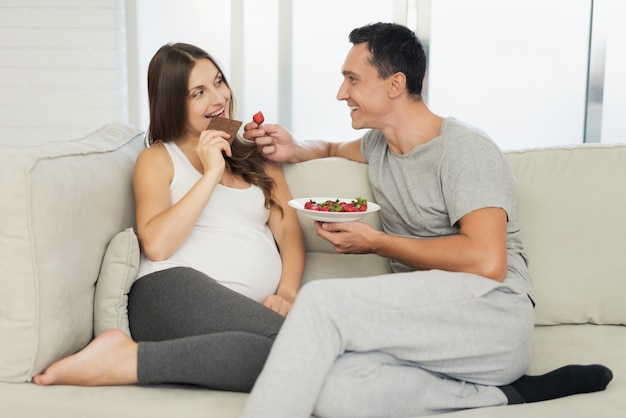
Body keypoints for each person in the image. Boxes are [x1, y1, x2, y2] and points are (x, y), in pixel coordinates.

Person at [238, 22, 612, 417]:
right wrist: (295, 147)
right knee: (338, 392)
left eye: (352, 79)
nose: (341, 93)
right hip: (430, 330)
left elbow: (487, 262)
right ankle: (509, 394)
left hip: (492, 320)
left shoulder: (464, 150)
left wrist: (378, 243)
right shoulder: (378, 146)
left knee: (318, 301)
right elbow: (330, 146)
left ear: (395, 84)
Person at [32, 42, 305, 392]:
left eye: (219, 82)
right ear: (174, 102)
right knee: (301, 349)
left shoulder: (258, 159)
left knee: (294, 357)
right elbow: (158, 246)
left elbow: (290, 233)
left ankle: (126, 358)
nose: (218, 98)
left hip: (237, 316)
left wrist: (289, 294)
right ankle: (124, 361)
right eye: (199, 93)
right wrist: (210, 173)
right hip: (168, 291)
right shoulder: (158, 159)